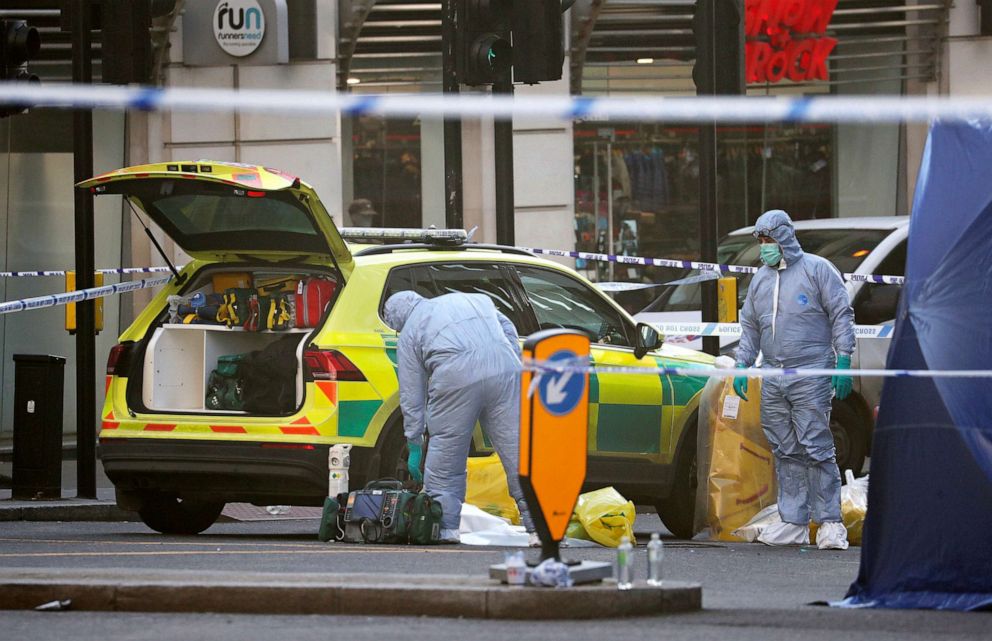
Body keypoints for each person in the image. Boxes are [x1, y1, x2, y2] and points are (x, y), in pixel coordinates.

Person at [732, 209, 854, 550]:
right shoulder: (761, 279)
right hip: (773, 373)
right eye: (760, 241)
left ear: (784, 237)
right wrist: (742, 364)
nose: (764, 247)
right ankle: (794, 521)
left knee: (816, 446)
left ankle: (830, 521)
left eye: (768, 239)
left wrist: (843, 359)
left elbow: (841, 312)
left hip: (811, 371)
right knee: (785, 449)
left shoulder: (818, 270)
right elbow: (751, 326)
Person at [382, 291, 537, 545]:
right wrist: (516, 365)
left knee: (447, 453)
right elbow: (507, 326)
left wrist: (414, 442)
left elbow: (412, 393)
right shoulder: (472, 299)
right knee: (519, 451)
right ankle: (539, 528)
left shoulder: (410, 331)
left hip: (455, 379)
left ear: (397, 321)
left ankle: (445, 529)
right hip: (504, 370)